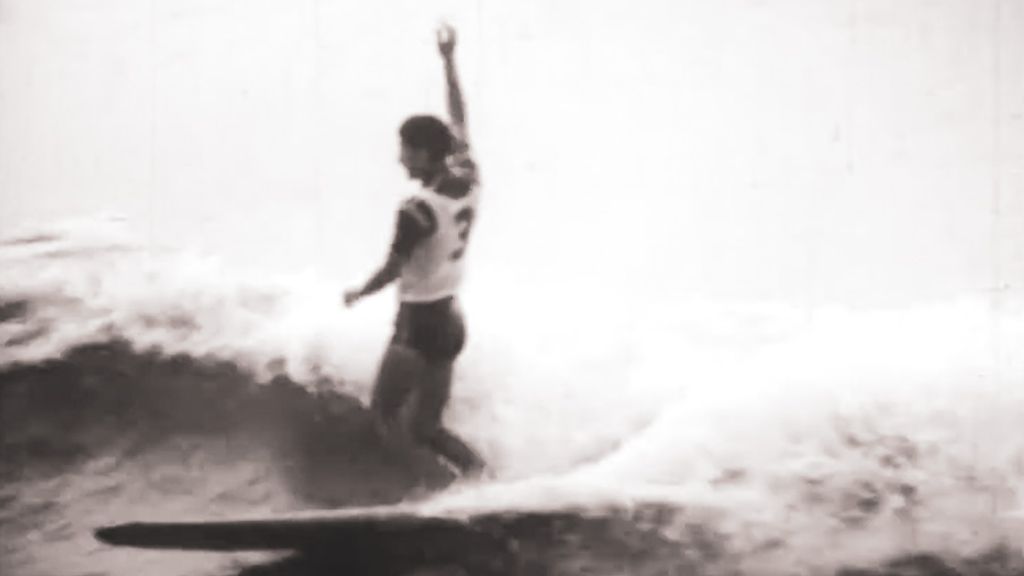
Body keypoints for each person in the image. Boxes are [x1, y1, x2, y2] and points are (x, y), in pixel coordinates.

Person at [343, 23, 485, 480]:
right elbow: (459, 117)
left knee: (384, 415)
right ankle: (482, 481)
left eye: (405, 150)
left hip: (419, 324)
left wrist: (359, 293)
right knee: (426, 427)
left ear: (424, 154)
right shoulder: (468, 173)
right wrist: (448, 61)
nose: (400, 159)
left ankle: (426, 496)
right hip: (451, 321)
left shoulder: (417, 209)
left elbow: (392, 268)